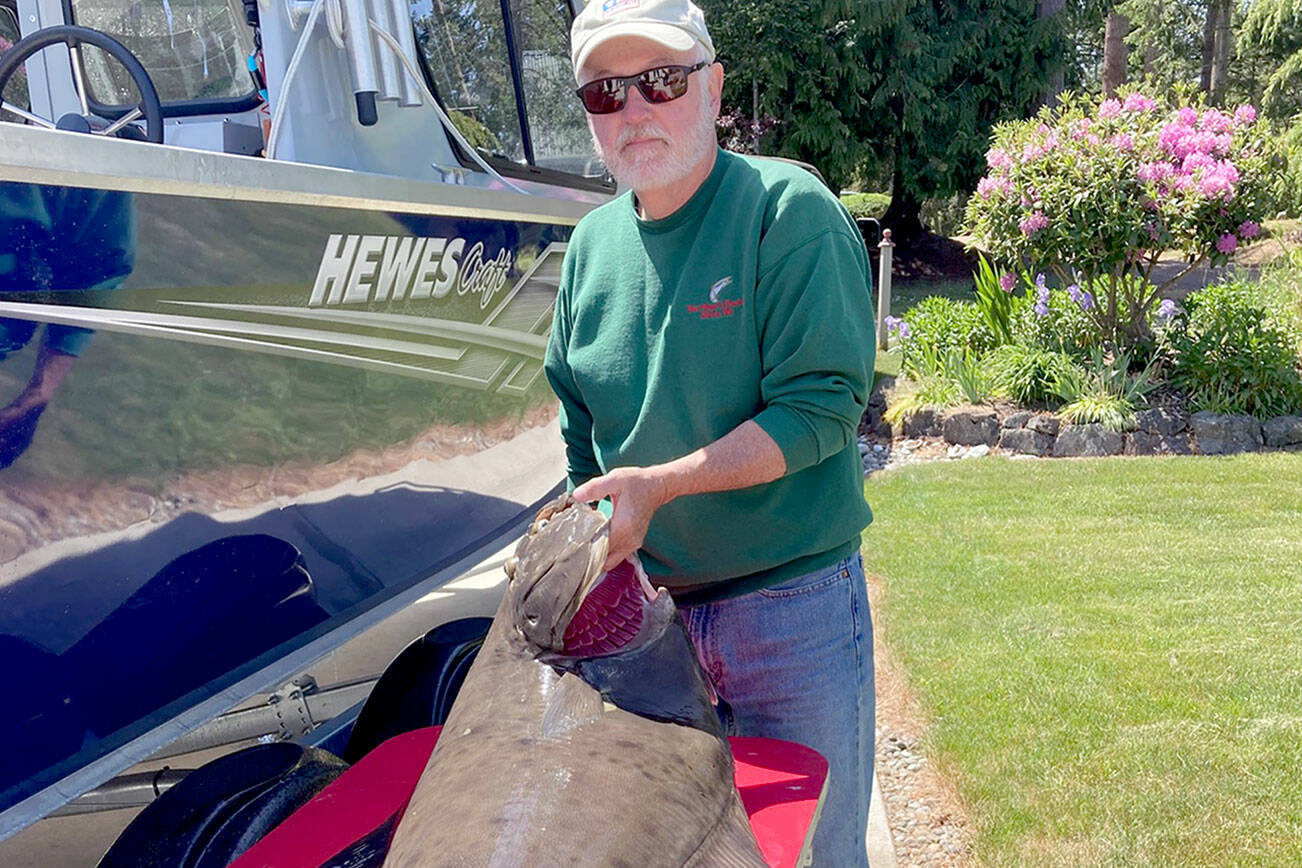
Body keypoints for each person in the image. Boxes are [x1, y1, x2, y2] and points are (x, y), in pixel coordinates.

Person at [543, 1, 877, 864]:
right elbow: (580, 427)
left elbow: (823, 408)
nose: (634, 110)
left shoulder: (785, 209)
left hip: (791, 611)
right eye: (605, 93)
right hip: (643, 626)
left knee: (812, 854)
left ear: (714, 84)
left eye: (660, 80)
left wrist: (660, 487)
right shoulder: (587, 249)